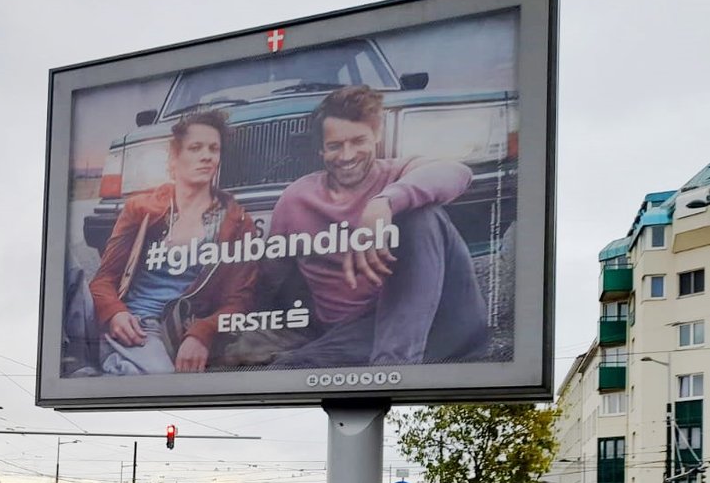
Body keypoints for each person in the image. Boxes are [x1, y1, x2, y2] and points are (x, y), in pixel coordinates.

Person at [261, 85, 490, 367]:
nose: (347, 155)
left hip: (440, 322)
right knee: (285, 369)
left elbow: (458, 173)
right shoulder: (296, 199)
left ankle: (392, 366)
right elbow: (270, 277)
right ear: (321, 149)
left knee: (421, 215)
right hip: (356, 334)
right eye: (335, 146)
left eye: (358, 141)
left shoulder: (398, 172)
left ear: (376, 136)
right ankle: (382, 365)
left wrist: (385, 203)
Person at [87, 111, 259, 375]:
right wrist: (115, 313)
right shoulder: (141, 208)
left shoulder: (237, 220)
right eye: (195, 148)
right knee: (159, 378)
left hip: (186, 326)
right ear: (174, 158)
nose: (206, 156)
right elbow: (103, 280)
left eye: (214, 149)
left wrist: (203, 333)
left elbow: (240, 299)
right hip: (137, 324)